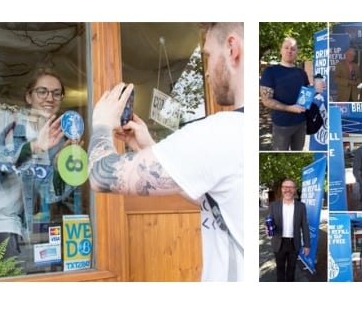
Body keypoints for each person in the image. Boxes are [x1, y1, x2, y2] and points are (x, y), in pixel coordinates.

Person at [87, 23, 244, 282]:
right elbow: (214, 198)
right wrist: (150, 147)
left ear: (231, 48)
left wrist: (102, 123)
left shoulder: (219, 132)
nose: (206, 72)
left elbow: (101, 174)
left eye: (207, 56)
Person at [0, 68, 73, 261]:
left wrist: (62, 169)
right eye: (42, 91)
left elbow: (49, 195)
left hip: (12, 225)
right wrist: (33, 148)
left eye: (56, 93)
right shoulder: (7, 123)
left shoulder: (57, 141)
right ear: (28, 96)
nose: (50, 98)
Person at [260, 36, 324, 151]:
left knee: (298, 151)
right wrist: (289, 108)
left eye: (293, 49)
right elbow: (266, 100)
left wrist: (315, 90)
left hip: (301, 123)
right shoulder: (270, 72)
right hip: (281, 125)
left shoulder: (301, 72)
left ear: (297, 52)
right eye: (286, 47)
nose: (289, 51)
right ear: (281, 50)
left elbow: (305, 96)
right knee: (280, 154)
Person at [267, 178, 311, 282]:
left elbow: (305, 226)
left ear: (295, 189)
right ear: (281, 189)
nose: (288, 190)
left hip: (294, 243)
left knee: (292, 269)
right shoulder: (273, 205)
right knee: (280, 270)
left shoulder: (301, 206)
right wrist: (268, 229)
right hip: (279, 242)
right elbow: (270, 222)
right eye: (285, 187)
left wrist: (307, 245)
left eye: (291, 187)